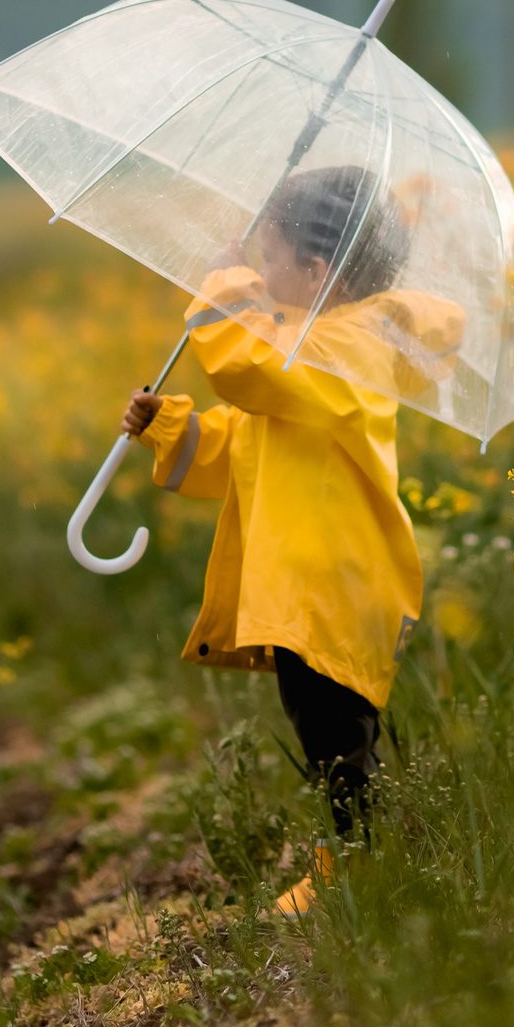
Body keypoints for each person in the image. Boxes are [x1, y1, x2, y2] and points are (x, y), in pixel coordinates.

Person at [121, 164, 463, 915]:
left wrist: (224, 290)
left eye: (269, 259)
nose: (260, 272)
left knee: (337, 739)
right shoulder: (303, 351)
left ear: (317, 271)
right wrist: (169, 428)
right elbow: (242, 449)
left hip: (337, 580)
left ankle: (362, 867)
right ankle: (359, 856)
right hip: (307, 580)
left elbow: (245, 373)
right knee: (322, 732)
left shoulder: (350, 351)